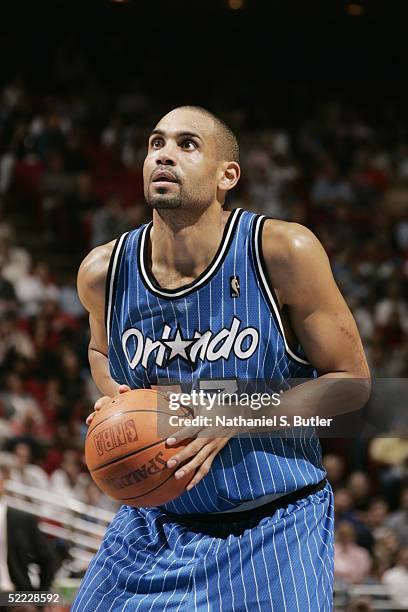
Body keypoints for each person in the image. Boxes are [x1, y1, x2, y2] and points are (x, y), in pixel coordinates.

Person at [72, 106, 370, 611]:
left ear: (226, 175)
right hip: (155, 526)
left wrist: (233, 411)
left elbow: (354, 387)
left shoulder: (283, 251)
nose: (164, 154)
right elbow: (100, 349)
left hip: (274, 525)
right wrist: (115, 397)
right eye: (155, 143)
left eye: (187, 144)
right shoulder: (103, 271)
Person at [0, 466, 56, 596]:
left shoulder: (22, 519)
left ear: (4, 484)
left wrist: (39, 600)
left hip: (12, 596)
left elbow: (47, 559)